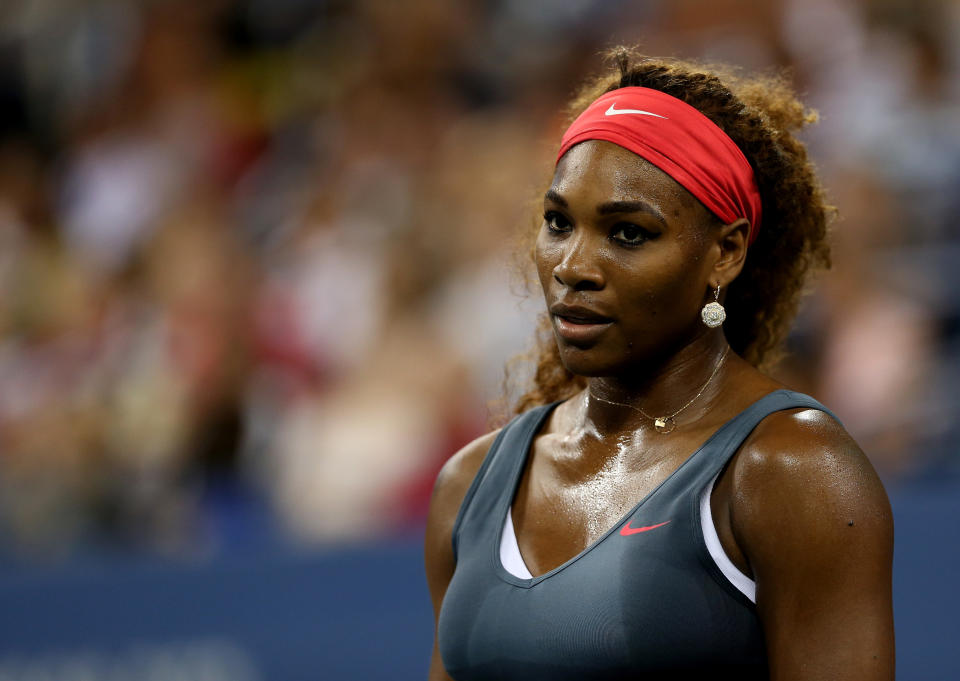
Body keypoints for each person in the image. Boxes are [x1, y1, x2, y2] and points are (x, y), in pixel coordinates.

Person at [424, 49, 894, 681]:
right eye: (559, 223)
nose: (573, 267)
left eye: (627, 234)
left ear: (725, 252)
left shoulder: (792, 471)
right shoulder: (468, 484)